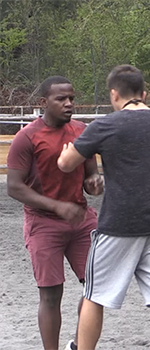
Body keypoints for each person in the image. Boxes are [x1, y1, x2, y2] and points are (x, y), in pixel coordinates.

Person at [57, 65, 150, 350]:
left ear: (114, 94)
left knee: (94, 296)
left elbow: (66, 164)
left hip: (118, 225)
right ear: (144, 94)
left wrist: (65, 153)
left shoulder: (106, 125)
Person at [6, 76, 103, 350]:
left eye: (71, 98)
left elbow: (91, 178)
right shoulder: (27, 137)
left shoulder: (83, 132)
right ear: (43, 102)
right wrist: (55, 206)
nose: (69, 103)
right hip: (43, 224)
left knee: (97, 288)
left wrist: (94, 184)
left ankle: (80, 344)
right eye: (61, 99)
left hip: (82, 222)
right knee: (51, 295)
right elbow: (14, 187)